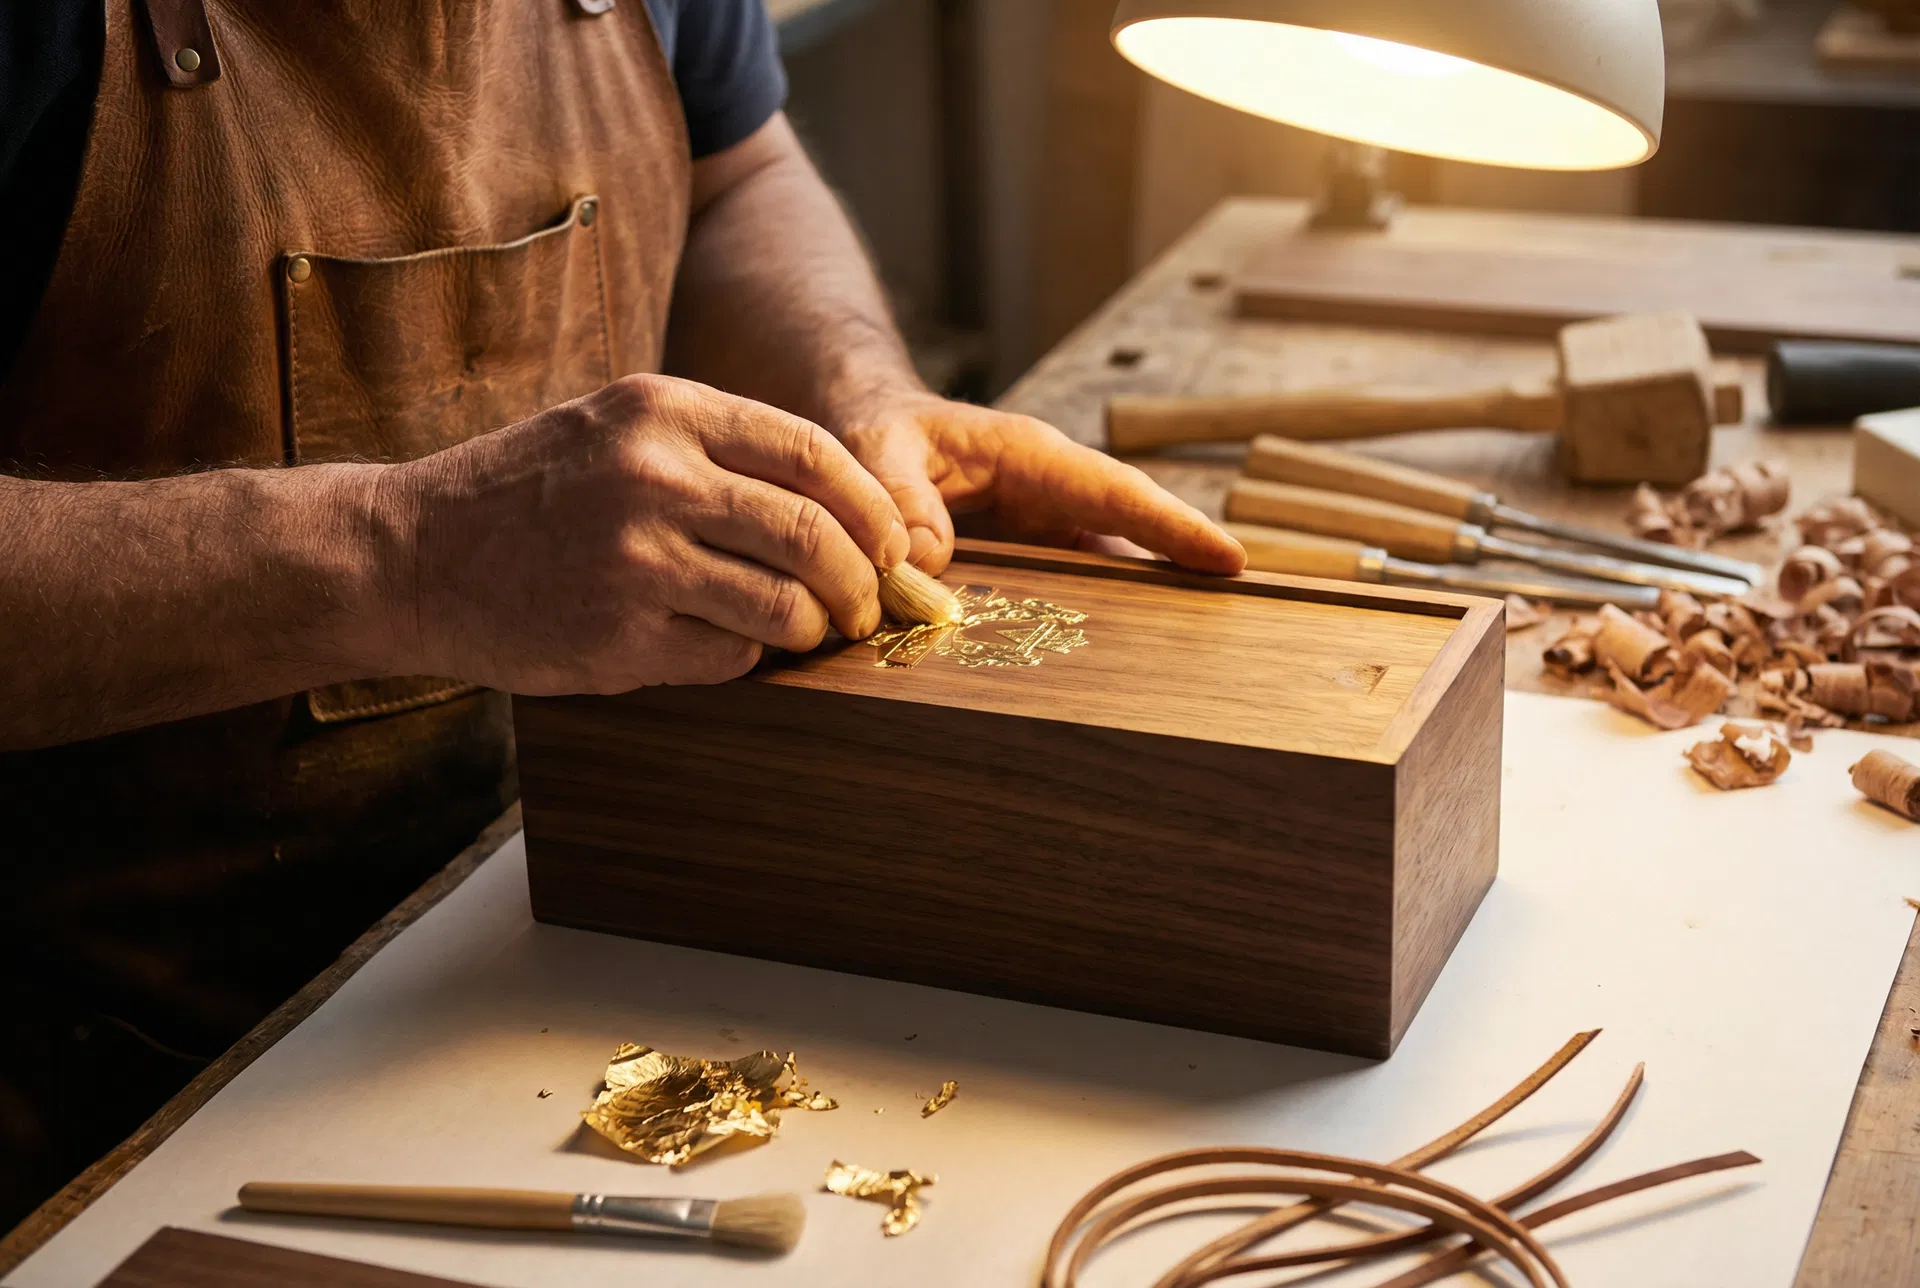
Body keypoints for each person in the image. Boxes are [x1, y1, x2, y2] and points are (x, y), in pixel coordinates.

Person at [0, 0, 1245, 1228]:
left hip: (550, 937)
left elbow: (738, 176)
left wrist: (849, 388)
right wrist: (411, 556)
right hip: (129, 1075)